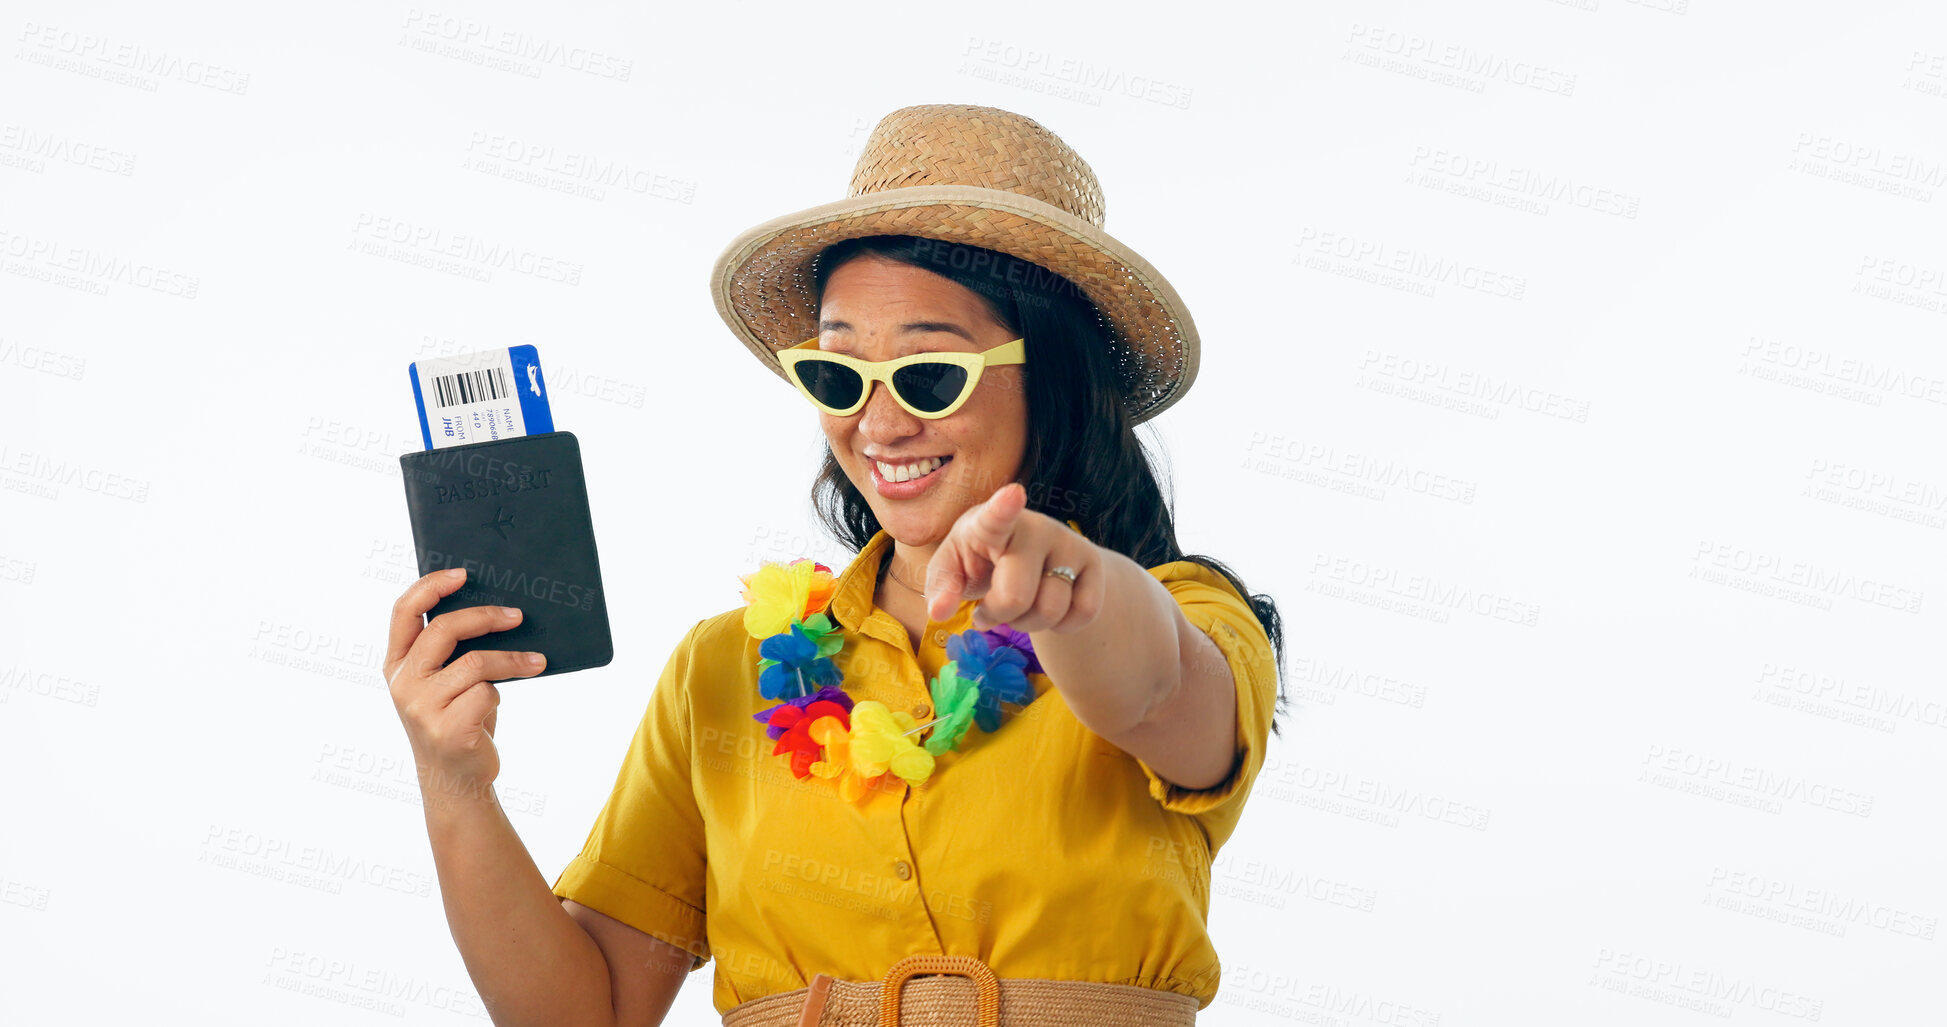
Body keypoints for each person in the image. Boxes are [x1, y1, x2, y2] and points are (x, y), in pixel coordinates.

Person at [385, 103, 1287, 1027]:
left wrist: (1080, 593)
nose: (881, 423)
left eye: (932, 372)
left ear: (1055, 378)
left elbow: (1156, 691)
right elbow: (587, 1015)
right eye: (840, 374)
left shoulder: (1181, 617)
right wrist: (454, 781)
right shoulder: (726, 669)